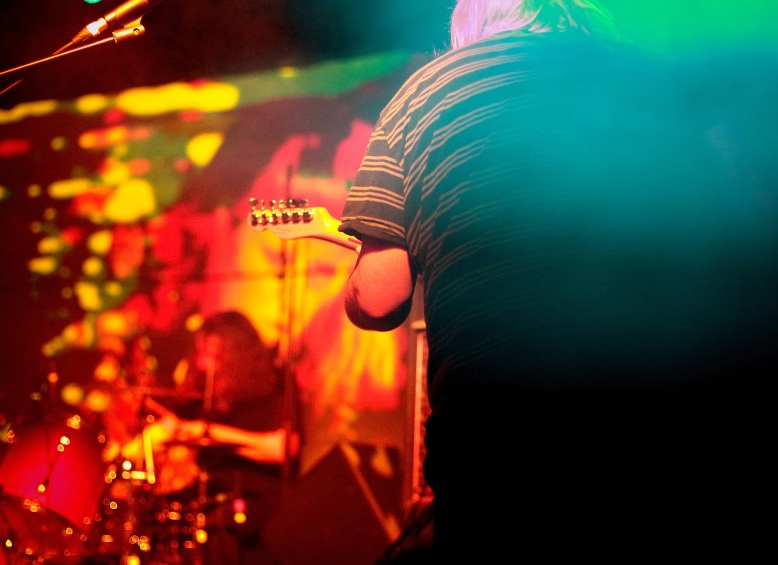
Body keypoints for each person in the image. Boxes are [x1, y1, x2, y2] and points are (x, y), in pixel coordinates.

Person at [340, 0, 776, 560]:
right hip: (675, 428)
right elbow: (756, 225)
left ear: (470, 20)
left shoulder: (421, 96)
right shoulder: (665, 76)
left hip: (498, 444)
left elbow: (379, 300)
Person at [100, 310, 300, 565]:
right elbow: (168, 427)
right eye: (201, 353)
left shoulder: (274, 384)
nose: (204, 363)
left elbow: (283, 448)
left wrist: (209, 432)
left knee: (216, 529)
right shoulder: (203, 393)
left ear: (235, 353)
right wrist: (124, 454)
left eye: (213, 354)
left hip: (256, 497)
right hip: (207, 498)